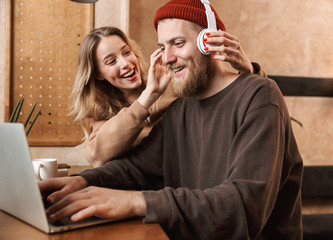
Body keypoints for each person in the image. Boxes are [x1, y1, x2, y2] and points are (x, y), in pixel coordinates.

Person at [40, 0, 303, 239]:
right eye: (162, 47)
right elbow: (136, 169)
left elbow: (244, 205)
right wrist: (83, 181)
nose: (167, 58)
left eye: (178, 43)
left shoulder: (260, 95)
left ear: (209, 42)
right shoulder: (182, 107)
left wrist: (136, 202)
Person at [71, 26, 267, 167]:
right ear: (98, 74)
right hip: (140, 201)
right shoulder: (104, 117)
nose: (125, 63)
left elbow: (231, 95)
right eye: (111, 61)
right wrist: (147, 98)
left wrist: (249, 69)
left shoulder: (172, 83)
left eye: (126, 52)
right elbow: (96, 156)